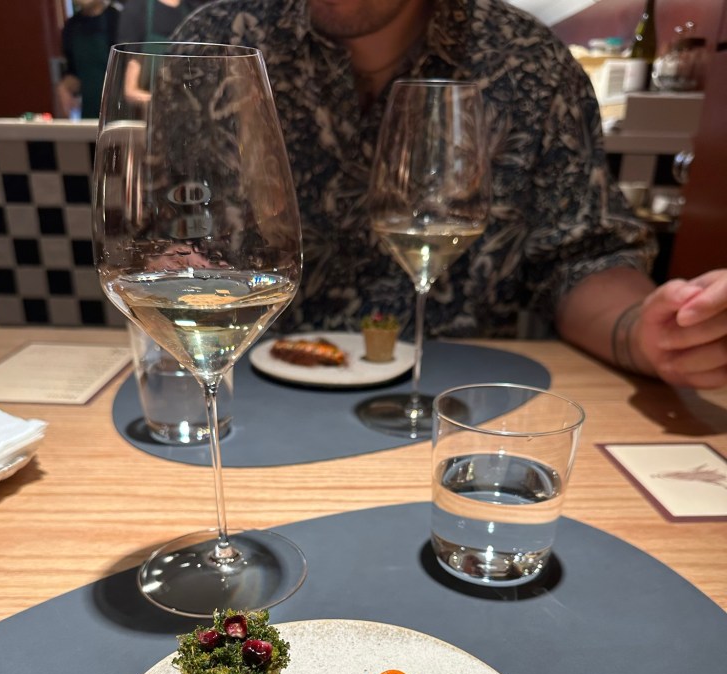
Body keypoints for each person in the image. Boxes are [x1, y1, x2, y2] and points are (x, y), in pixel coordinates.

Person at [172, 0, 727, 390]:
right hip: (242, 403)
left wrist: (647, 333)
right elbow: (167, 244)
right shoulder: (213, 44)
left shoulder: (528, 60)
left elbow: (580, 256)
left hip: (454, 410)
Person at [118, 0, 203, 103]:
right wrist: (165, 103)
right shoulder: (137, 8)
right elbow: (130, 91)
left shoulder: (194, 13)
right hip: (147, 110)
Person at [57, 1, 121, 119]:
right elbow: (74, 72)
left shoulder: (117, 19)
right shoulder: (71, 26)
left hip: (118, 111)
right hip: (88, 113)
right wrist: (64, 88)